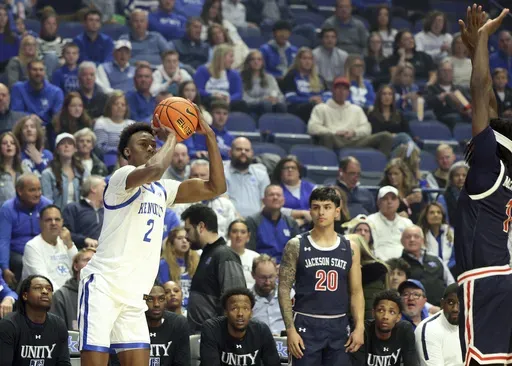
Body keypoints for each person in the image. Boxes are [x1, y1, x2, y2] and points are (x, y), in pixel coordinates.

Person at [78, 102, 226, 365]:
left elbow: (216, 187)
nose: (150, 147)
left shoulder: (162, 190)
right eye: (143, 144)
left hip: (135, 295)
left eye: (152, 144)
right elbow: (155, 169)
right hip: (103, 286)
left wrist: (210, 137)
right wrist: (172, 136)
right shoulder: (121, 178)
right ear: (126, 152)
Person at [455, 6, 512, 365]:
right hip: (504, 273)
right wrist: (476, 50)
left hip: (484, 277)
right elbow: (488, 98)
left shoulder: (487, 167)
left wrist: (484, 40)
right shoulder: (504, 165)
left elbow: (480, 91)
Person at [278, 187, 364, 365]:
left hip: (339, 325)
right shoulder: (296, 245)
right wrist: (290, 329)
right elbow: (284, 289)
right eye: (316, 207)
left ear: (337, 212)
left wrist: (360, 326)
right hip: (305, 324)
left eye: (327, 207)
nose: (321, 212)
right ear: (310, 210)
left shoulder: (350, 247)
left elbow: (356, 292)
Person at [181, 204, 246, 334]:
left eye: (188, 230)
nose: (186, 237)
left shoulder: (224, 255)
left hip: (216, 340)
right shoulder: (208, 254)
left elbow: (236, 303)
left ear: (201, 227)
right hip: (203, 336)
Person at [0, 275, 71, 365]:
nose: (45, 291)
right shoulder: (8, 325)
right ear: (25, 295)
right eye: (38, 288)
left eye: (49, 289)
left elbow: (63, 363)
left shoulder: (59, 325)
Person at [200, 287, 281, 365]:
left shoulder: (261, 330)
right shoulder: (212, 329)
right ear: (225, 312)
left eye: (245, 308)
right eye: (234, 308)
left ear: (251, 313)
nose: (240, 314)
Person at [0, 173, 52, 287]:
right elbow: (3, 240)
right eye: (32, 190)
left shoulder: (47, 205)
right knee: (20, 262)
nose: (38, 194)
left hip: (42, 249)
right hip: (18, 252)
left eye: (39, 189)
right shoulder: (7, 208)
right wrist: (5, 268)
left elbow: (54, 232)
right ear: (19, 191)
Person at [354, 289, 418, 366]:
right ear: (373, 313)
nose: (385, 316)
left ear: (398, 317)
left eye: (392, 312)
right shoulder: (363, 331)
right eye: (381, 310)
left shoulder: (404, 330)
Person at [21, 205, 78, 291]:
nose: (53, 223)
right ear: (40, 223)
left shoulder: (65, 241)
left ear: (62, 222)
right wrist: (64, 298)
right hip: (47, 296)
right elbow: (43, 281)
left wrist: (70, 245)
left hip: (70, 294)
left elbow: (79, 270)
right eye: (48, 220)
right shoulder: (32, 246)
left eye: (57, 219)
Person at [245, 184, 300, 263]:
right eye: (271, 195)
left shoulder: (291, 223)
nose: (275, 197)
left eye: (278, 195)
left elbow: (296, 252)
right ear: (264, 200)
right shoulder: (252, 221)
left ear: (283, 200)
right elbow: (250, 251)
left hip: (286, 268)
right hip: (261, 267)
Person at [414, 283, 462, 366]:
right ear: (442, 304)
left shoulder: (475, 326)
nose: (455, 309)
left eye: (460, 303)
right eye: (450, 303)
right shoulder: (429, 329)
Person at [144, 284, 190, 366]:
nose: (156, 304)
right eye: (150, 299)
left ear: (166, 301)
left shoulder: (178, 323)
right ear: (142, 301)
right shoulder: (130, 325)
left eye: (161, 299)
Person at [50, 248, 95, 330]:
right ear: (76, 266)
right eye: (87, 260)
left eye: (95, 260)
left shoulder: (106, 293)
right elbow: (56, 331)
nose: (92, 263)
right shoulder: (61, 296)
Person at [224, 137, 270, 217]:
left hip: (256, 223)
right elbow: (224, 201)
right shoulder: (221, 172)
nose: (243, 152)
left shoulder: (261, 173)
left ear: (252, 153)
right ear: (230, 152)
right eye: (239, 149)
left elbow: (266, 202)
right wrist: (240, 222)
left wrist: (257, 221)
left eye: (247, 150)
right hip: (229, 220)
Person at [41, 133, 88, 210]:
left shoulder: (83, 171)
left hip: (79, 216)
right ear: (57, 150)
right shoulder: (47, 174)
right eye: (62, 143)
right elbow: (47, 201)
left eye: (70, 143)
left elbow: (87, 196)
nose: (66, 146)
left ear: (75, 149)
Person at [158, 226, 199, 312]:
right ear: (172, 243)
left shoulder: (197, 263)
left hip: (193, 311)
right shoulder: (163, 265)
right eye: (179, 238)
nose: (184, 241)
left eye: (187, 238)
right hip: (172, 311)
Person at [62, 175, 105, 249]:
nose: (107, 190)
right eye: (104, 187)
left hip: (103, 253)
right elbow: (65, 233)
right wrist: (84, 240)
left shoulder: (107, 211)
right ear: (93, 189)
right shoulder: (73, 208)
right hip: (79, 252)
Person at [251, 254, 284, 335]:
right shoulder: (247, 299)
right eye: (263, 277)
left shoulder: (288, 294)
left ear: (276, 273)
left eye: (271, 277)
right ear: (253, 275)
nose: (267, 282)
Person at [228, 219, 259, 288]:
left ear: (248, 236)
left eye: (243, 232)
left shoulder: (256, 257)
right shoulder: (220, 255)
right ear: (229, 235)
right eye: (234, 231)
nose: (239, 235)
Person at [0, 132, 24, 207]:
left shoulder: (23, 171)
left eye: (12, 143)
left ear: (16, 147)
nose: (9, 145)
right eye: (4, 143)